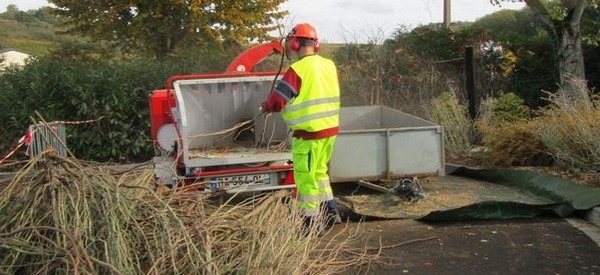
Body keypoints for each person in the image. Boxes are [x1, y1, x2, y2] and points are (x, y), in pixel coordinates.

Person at [261, 23, 342, 232]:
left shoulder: (296, 70)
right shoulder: (329, 65)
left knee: (306, 179)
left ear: (295, 44)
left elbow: (278, 101)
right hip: (329, 131)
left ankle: (311, 223)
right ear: (315, 45)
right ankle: (331, 210)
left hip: (308, 135)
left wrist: (267, 106)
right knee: (319, 173)